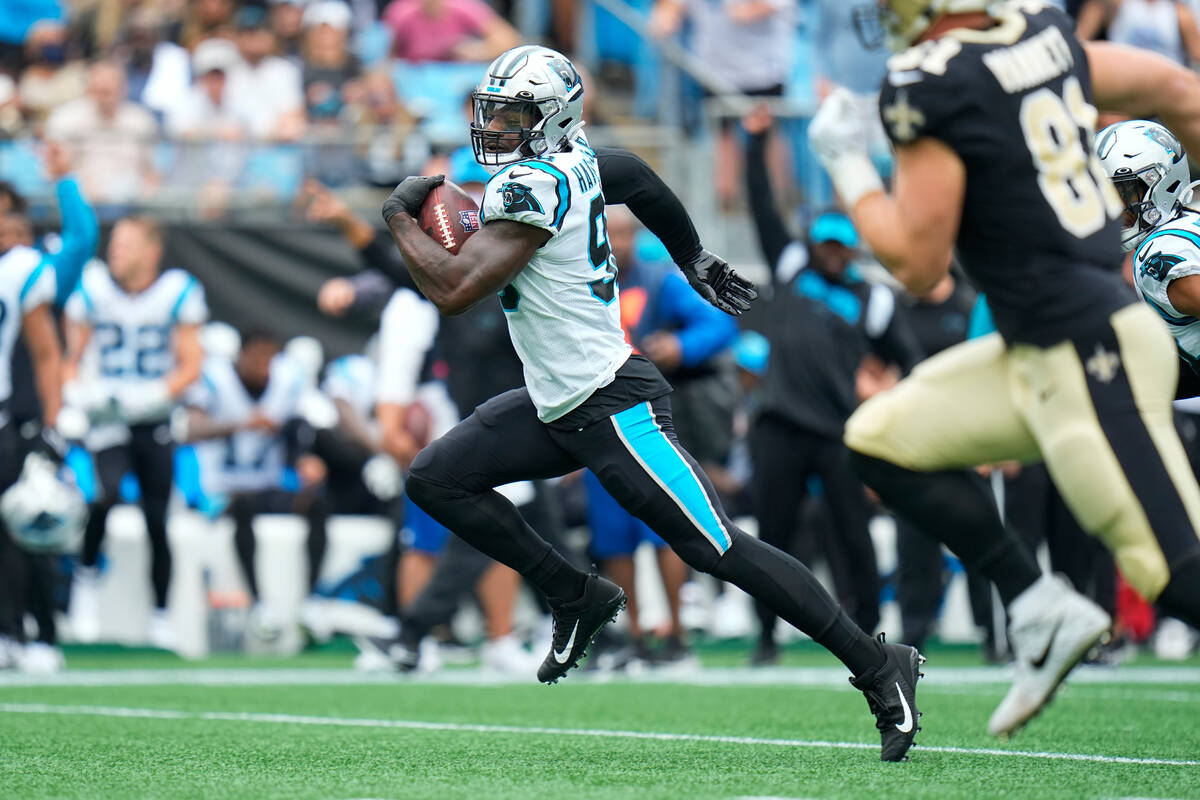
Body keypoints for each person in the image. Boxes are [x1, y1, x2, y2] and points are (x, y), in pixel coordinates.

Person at [383, 44, 923, 762]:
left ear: (553, 118)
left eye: (514, 114)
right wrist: (693, 255)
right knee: (435, 479)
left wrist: (399, 220)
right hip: (558, 404)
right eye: (495, 112)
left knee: (718, 548)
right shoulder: (570, 164)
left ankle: (879, 662)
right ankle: (575, 593)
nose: (498, 127)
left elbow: (453, 290)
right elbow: (633, 175)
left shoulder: (535, 185)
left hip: (611, 406)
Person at [808, 0, 1200, 738]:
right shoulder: (1045, 33)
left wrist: (848, 166)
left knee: (1171, 573)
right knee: (881, 439)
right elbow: (1179, 93)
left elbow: (919, 266)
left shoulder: (930, 81)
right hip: (1036, 343)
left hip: (1087, 346)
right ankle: (1038, 606)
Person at [744, 106, 923, 661]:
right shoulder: (793, 266)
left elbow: (912, 363)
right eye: (823, 243)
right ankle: (767, 633)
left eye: (838, 245)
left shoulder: (874, 299)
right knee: (770, 534)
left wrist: (897, 413)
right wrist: (756, 145)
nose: (829, 252)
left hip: (838, 431)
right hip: (778, 424)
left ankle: (868, 630)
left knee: (853, 533)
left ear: (851, 248)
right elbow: (761, 210)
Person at [63, 216, 207, 649]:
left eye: (127, 245)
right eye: (115, 244)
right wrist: (79, 392)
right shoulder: (92, 291)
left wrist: (153, 395)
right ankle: (84, 585)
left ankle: (161, 614)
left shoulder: (177, 290)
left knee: (157, 519)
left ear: (151, 251)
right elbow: (72, 357)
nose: (115, 252)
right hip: (107, 415)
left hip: (153, 415)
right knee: (103, 496)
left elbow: (191, 365)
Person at [181, 328, 328, 640]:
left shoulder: (286, 380)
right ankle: (260, 604)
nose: (265, 368)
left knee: (317, 503)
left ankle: (311, 601)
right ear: (241, 357)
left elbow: (299, 425)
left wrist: (304, 458)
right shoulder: (213, 379)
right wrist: (240, 424)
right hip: (220, 489)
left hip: (267, 484)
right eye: (258, 360)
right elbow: (188, 428)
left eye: (270, 360)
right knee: (243, 506)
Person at [0, 206, 64, 673]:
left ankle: (33, 632)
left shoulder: (22, 269)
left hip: (11, 417)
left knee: (22, 526)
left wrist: (53, 423)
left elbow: (47, 354)